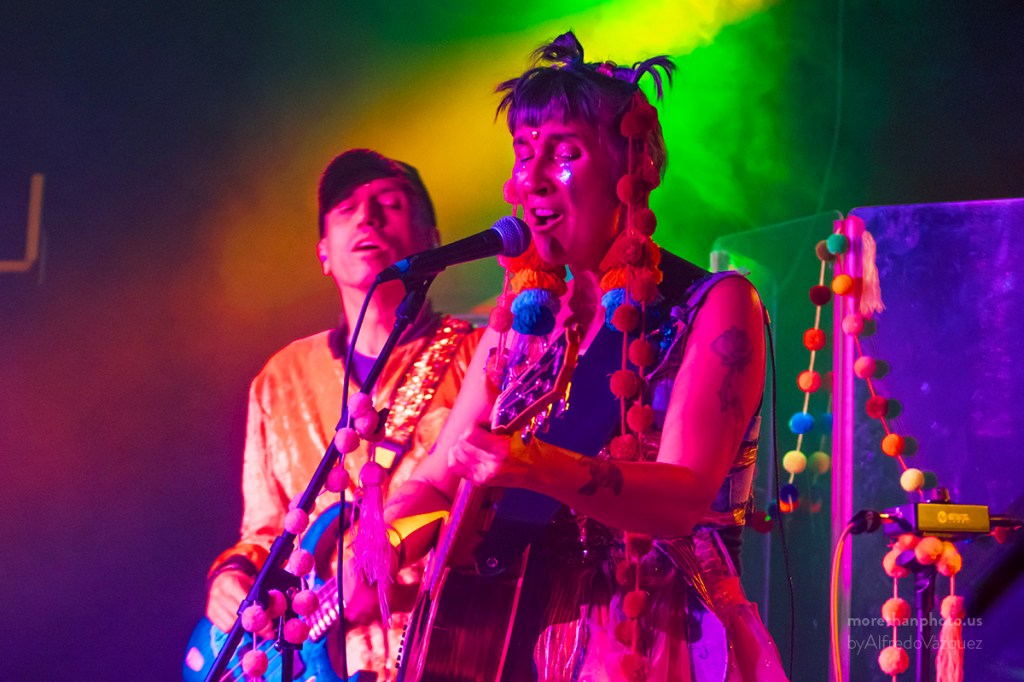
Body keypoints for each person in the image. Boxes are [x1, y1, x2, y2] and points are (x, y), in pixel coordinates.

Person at [375, 33, 788, 681]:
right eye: (523, 153)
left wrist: (533, 464)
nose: (531, 178)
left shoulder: (715, 305)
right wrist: (390, 538)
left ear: (633, 170)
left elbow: (683, 497)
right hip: (517, 631)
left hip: (657, 637)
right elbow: (438, 477)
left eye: (565, 153)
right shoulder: (520, 324)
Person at [201, 149, 482, 679]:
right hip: (311, 662)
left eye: (390, 203)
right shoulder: (281, 377)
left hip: (444, 650)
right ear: (324, 253)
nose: (367, 218)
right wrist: (232, 575)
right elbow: (266, 530)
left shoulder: (481, 355)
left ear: (432, 241)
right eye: (346, 208)